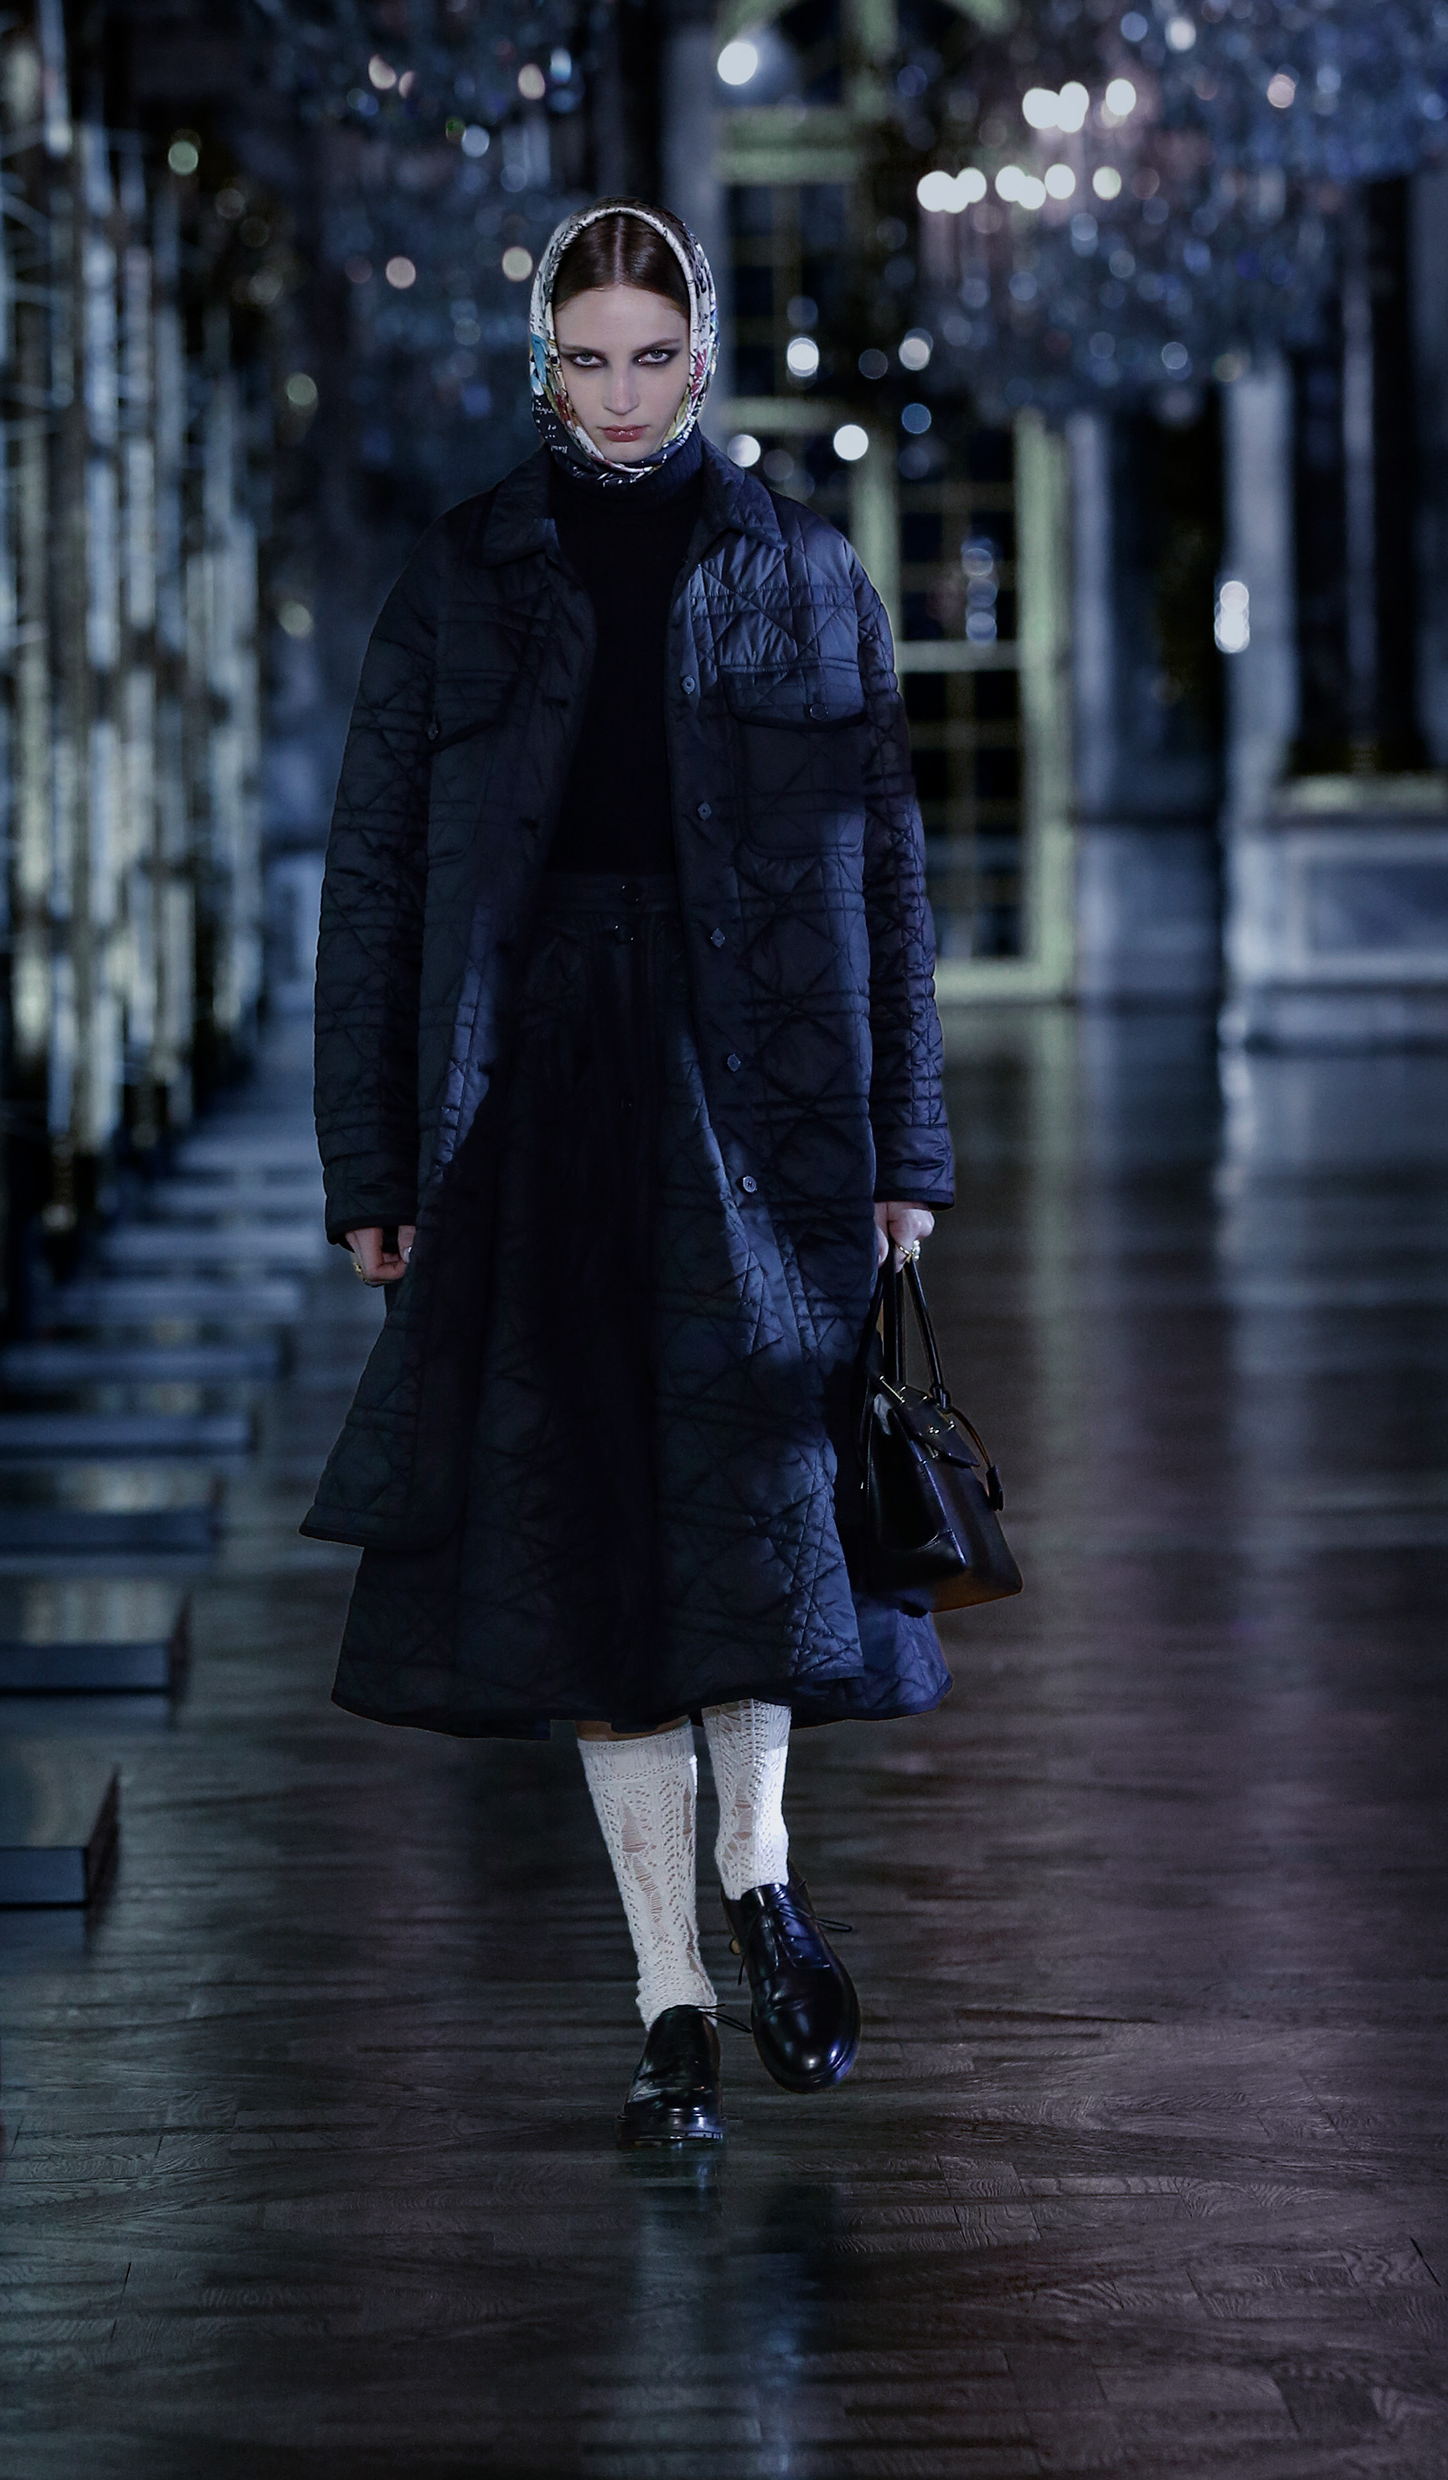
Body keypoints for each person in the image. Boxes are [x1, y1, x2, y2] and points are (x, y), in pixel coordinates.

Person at [304, 198, 953, 2149]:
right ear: (541, 362)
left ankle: (758, 1869)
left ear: (702, 359)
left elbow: (888, 877)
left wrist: (904, 1149)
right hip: (528, 1094)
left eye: (648, 358)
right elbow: (374, 884)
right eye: (584, 359)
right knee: (584, 1530)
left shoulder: (803, 572)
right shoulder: (460, 575)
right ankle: (668, 1994)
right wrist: (371, 1156)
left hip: (759, 1089)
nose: (615, 394)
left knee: (753, 1497)